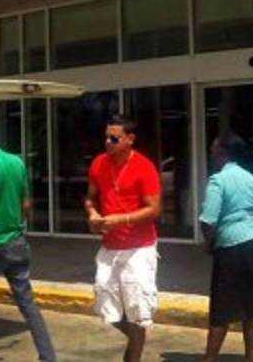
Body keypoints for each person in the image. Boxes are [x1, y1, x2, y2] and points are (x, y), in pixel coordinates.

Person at [0, 122, 56, 362]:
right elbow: (26, 203)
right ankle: (48, 357)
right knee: (28, 304)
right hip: (17, 242)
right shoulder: (17, 162)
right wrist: (18, 226)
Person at [84, 114, 162, 362]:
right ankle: (137, 337)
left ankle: (134, 350)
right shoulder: (99, 163)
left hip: (138, 249)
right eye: (106, 137)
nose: (108, 142)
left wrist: (122, 219)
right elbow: (90, 198)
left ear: (130, 139)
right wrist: (93, 213)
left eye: (114, 138)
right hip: (110, 247)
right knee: (106, 307)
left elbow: (154, 210)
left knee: (137, 310)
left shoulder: (144, 167)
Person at [199, 133, 253, 362]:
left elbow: (208, 220)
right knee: (252, 309)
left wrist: (209, 244)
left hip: (230, 249)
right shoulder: (252, 180)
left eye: (213, 149)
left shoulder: (217, 181)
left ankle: (209, 358)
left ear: (222, 153)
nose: (211, 154)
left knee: (221, 310)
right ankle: (249, 357)